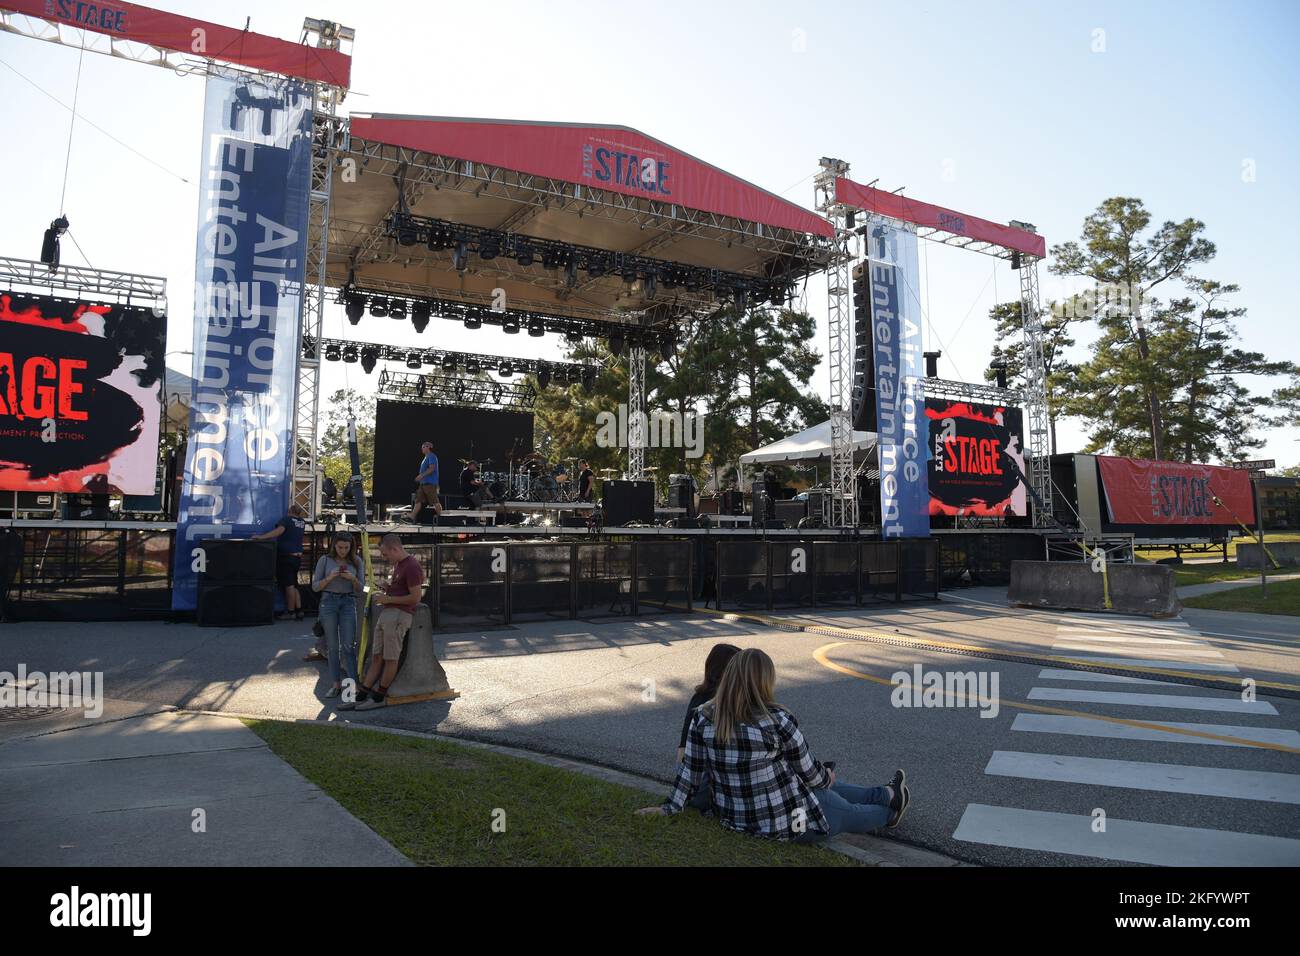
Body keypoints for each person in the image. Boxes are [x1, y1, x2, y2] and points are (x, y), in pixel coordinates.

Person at [637, 648, 909, 841]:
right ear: (765, 681)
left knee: (826, 793)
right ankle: (890, 808)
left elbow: (690, 775)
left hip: (737, 818)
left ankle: (888, 792)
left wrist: (668, 808)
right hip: (788, 821)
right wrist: (827, 776)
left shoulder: (704, 718)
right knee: (844, 809)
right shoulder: (776, 719)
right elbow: (812, 775)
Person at [339, 533, 423, 712]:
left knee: (390, 658)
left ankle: (379, 697)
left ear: (395, 548)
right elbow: (402, 591)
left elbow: (415, 597)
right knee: (377, 656)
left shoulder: (412, 566)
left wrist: (388, 598)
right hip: (388, 614)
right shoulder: (400, 565)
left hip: (399, 616)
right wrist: (387, 588)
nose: (385, 558)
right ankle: (362, 695)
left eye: (385, 554)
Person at [677, 643, 741, 812]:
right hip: (707, 788)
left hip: (692, 783)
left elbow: (682, 750)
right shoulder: (721, 704)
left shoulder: (698, 697)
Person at [311, 532, 364, 698]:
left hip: (348, 602)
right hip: (328, 601)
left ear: (351, 547)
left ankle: (352, 687)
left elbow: (362, 588)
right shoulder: (325, 560)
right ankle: (336, 684)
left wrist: (353, 579)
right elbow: (315, 587)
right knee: (333, 647)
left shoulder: (356, 561)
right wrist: (330, 577)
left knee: (349, 646)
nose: (343, 551)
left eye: (346, 548)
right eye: (340, 547)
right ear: (334, 545)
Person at [252, 503, 307, 621]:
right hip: (297, 557)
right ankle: (299, 610)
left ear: (290, 511)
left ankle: (291, 612)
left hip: (286, 557)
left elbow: (279, 531)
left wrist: (261, 537)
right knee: (294, 584)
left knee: (289, 585)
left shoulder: (286, 520)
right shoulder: (302, 522)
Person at [410, 441, 441, 523]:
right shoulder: (426, 457)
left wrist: (421, 476)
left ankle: (441, 518)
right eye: (422, 447)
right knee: (418, 501)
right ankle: (412, 516)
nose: (422, 449)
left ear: (428, 447)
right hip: (423, 484)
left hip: (430, 484)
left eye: (423, 447)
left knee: (435, 502)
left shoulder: (432, 456)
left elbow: (432, 468)